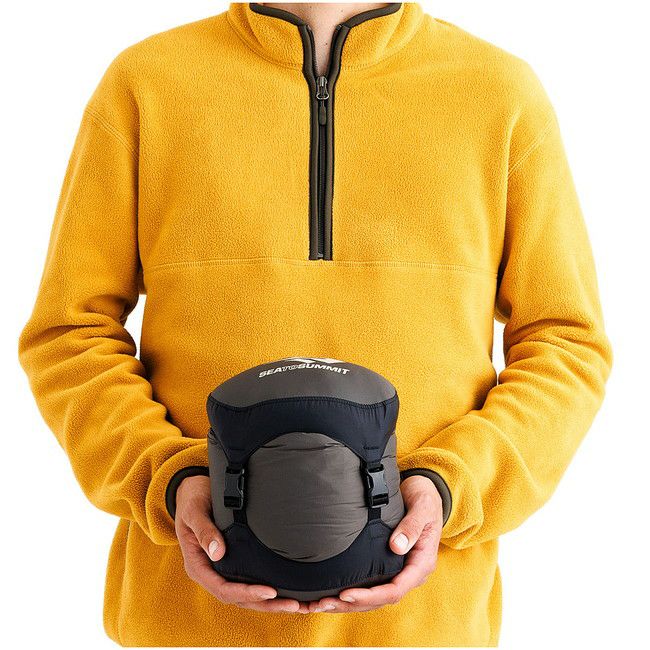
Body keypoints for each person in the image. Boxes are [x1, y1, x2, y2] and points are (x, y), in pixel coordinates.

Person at [18, 2, 612, 647]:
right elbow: (68, 334)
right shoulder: (147, 82)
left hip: (425, 628)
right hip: (185, 624)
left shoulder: (498, 92)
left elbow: (565, 344)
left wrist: (453, 484)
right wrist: (168, 477)